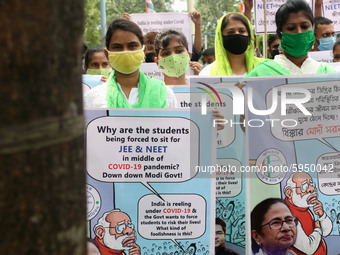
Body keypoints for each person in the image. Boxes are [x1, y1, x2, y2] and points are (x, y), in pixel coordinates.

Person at [83, 18, 177, 108]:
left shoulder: (165, 94)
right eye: (117, 47)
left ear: (143, 51)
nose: (125, 51)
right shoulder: (93, 99)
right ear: (107, 54)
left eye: (132, 46)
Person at [154, 29, 224, 129]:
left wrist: (217, 127)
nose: (173, 57)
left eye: (179, 51)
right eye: (166, 53)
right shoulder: (151, 92)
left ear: (189, 56)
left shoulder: (204, 94)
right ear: (157, 61)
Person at [247, 0, 336, 77]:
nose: (299, 32)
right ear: (280, 34)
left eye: (305, 26)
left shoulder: (327, 72)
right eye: (291, 28)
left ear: (313, 30)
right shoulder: (261, 73)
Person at [199, 12, 265, 76]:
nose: (237, 34)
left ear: (249, 35)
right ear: (221, 38)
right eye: (230, 32)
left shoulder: (266, 68)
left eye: (241, 31)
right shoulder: (207, 74)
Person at [284, 172, 332, 255]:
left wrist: (322, 216)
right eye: (304, 186)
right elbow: (308, 249)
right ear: (289, 193)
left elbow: (326, 232)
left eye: (312, 184)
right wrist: (317, 229)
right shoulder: (287, 217)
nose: (312, 189)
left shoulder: (303, 207)